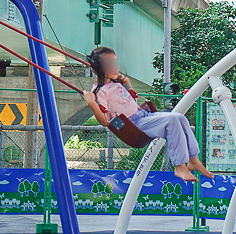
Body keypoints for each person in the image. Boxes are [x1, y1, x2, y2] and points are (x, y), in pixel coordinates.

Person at [82, 47, 213, 183]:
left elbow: (130, 102)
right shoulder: (100, 91)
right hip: (132, 125)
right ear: (100, 68)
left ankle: (193, 159)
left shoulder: (117, 84)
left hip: (143, 114)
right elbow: (105, 121)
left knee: (180, 117)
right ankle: (179, 166)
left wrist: (126, 83)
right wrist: (92, 103)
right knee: (172, 120)